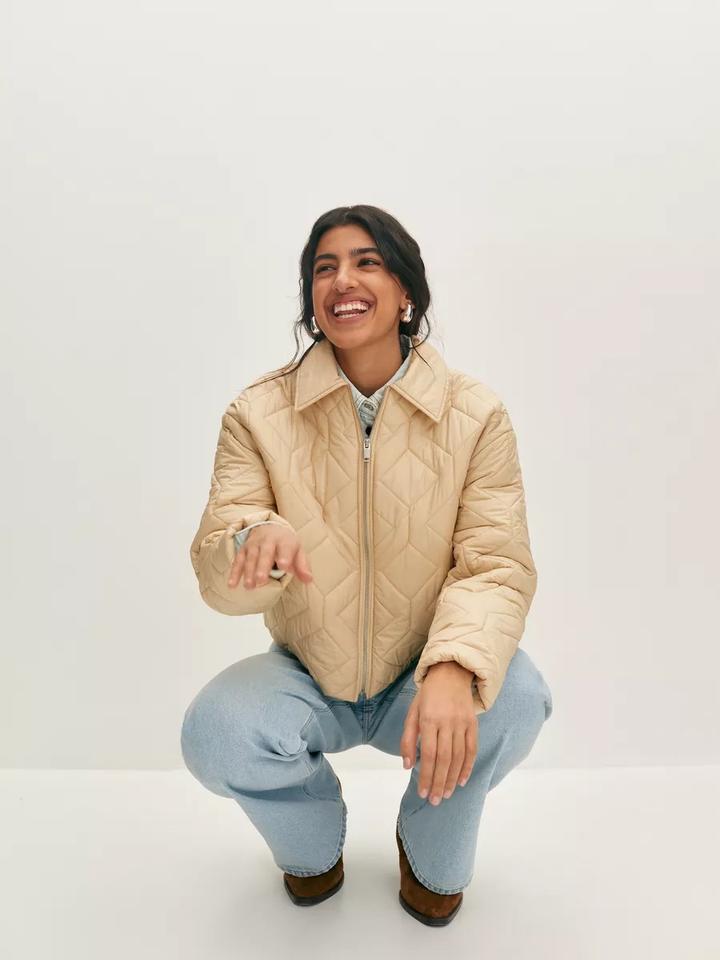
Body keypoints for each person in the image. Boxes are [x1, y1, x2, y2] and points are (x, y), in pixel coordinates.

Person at [181, 204, 553, 926]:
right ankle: (313, 842)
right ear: (311, 299)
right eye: (324, 268)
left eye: (366, 262)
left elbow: (496, 563)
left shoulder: (476, 415)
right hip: (309, 675)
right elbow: (220, 556)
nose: (342, 280)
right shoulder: (257, 414)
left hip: (421, 678)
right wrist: (252, 544)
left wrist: (453, 668)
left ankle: (428, 841)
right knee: (215, 730)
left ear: (405, 290)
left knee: (517, 695)